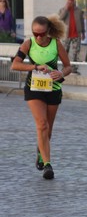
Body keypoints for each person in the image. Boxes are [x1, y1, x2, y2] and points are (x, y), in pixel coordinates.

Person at [10, 15, 72, 179]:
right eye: (35, 33)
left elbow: (68, 67)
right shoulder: (28, 44)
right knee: (42, 125)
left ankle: (40, 152)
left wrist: (60, 73)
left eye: (41, 34)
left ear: (48, 31)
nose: (38, 37)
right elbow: (15, 64)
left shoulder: (56, 44)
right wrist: (35, 66)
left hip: (53, 88)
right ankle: (48, 165)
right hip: (34, 88)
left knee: (48, 130)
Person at [58, 0, 84, 72]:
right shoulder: (62, 9)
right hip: (66, 35)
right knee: (65, 52)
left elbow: (82, 22)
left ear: (74, 1)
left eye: (72, 1)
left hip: (76, 34)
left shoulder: (79, 10)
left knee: (76, 52)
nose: (70, 2)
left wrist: (83, 32)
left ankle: (74, 68)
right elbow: (60, 18)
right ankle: (65, 67)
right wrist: (66, 9)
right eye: (69, 1)